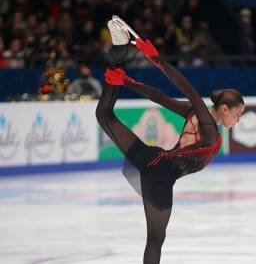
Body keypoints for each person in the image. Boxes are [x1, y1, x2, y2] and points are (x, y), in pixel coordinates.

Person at [96, 19, 245, 264]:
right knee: (155, 239)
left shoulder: (195, 116)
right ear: (226, 109)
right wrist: (157, 61)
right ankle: (116, 59)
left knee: (104, 116)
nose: (237, 121)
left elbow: (160, 97)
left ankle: (116, 57)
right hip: (158, 173)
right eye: (238, 114)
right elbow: (188, 89)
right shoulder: (208, 127)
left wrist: (127, 82)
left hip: (154, 164)